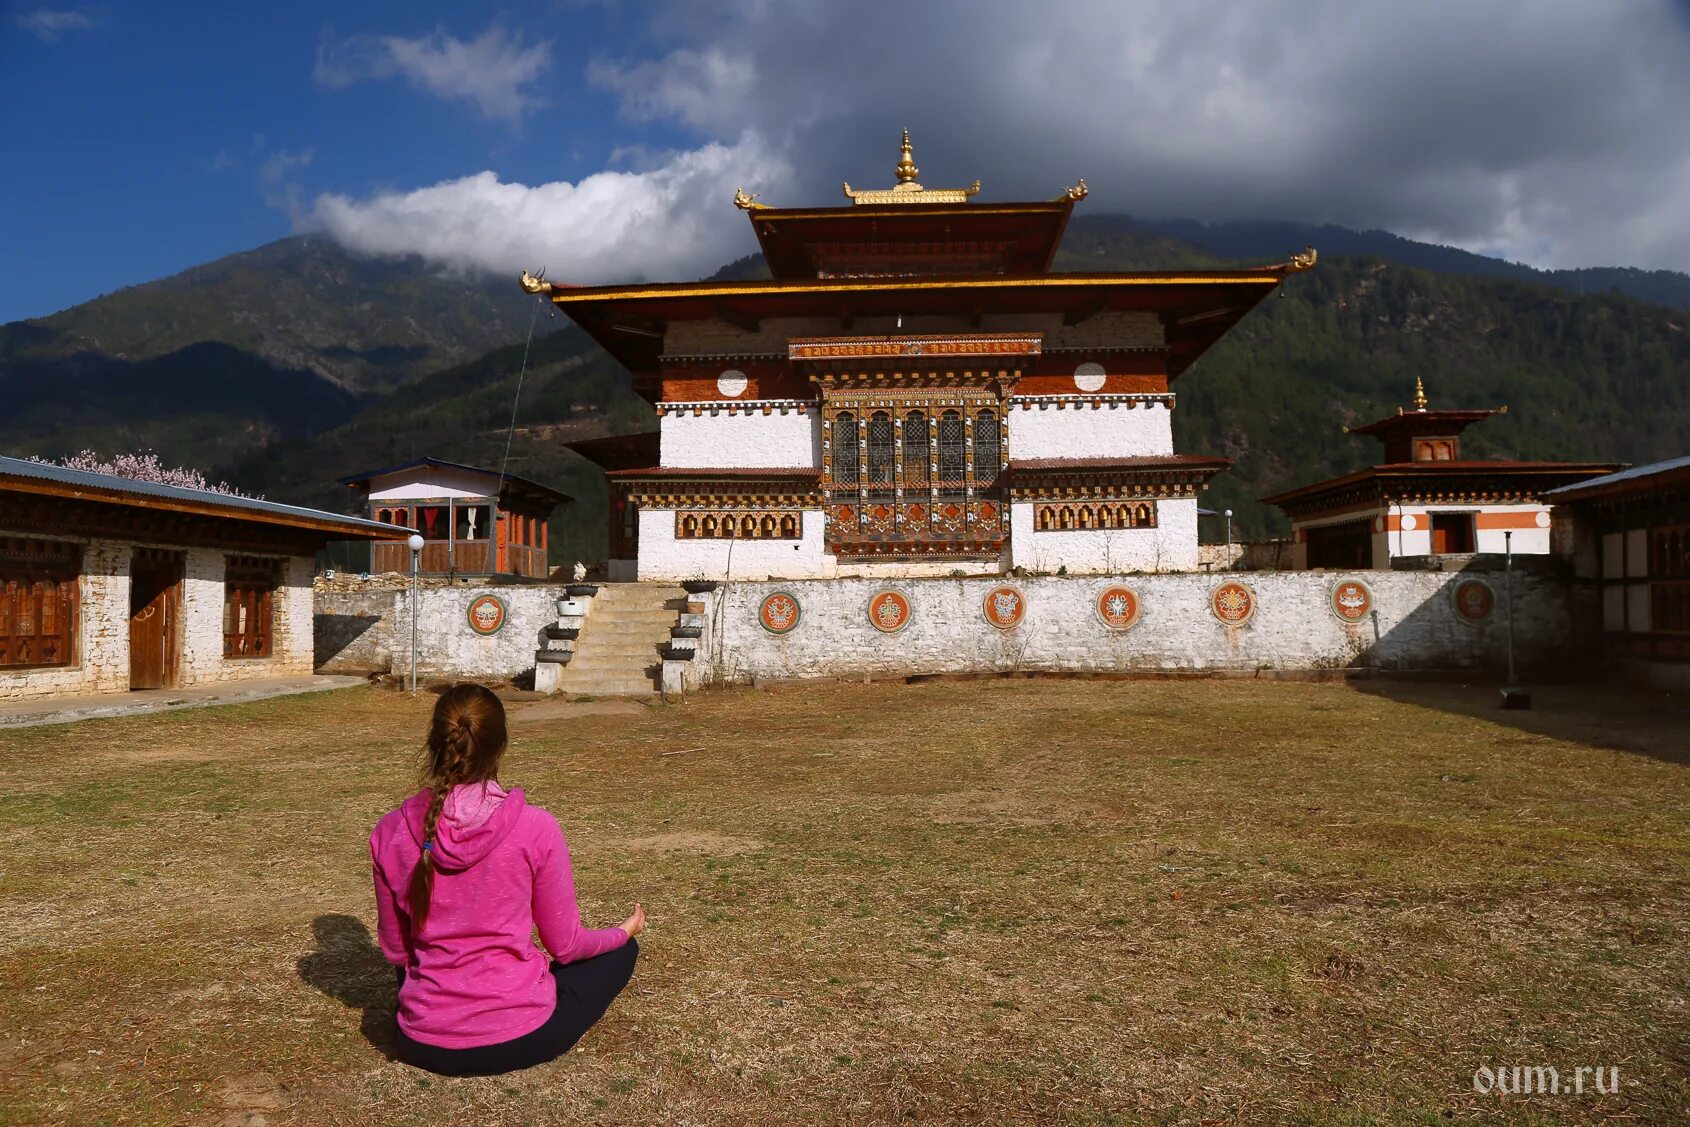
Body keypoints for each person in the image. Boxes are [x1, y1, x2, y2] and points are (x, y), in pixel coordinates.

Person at [369, 682, 644, 1075]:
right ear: (500, 746)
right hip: (519, 1038)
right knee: (619, 954)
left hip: (421, 1041)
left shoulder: (389, 832)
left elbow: (398, 952)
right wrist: (622, 932)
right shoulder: (536, 828)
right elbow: (565, 946)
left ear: (434, 744)